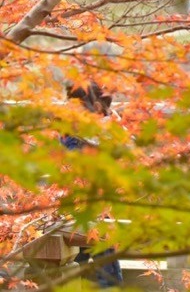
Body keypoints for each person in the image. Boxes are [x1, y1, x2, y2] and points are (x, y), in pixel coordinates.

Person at [61, 82, 124, 288]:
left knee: (101, 253)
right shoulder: (71, 130)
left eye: (76, 104)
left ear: (95, 107)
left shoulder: (107, 131)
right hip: (73, 206)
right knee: (77, 253)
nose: (71, 108)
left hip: (95, 204)